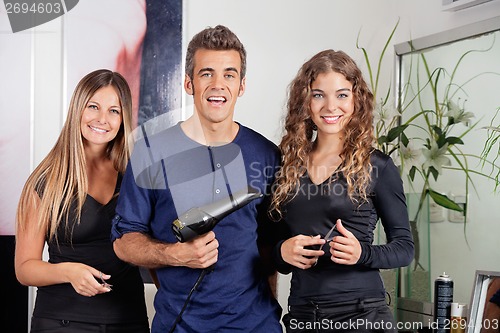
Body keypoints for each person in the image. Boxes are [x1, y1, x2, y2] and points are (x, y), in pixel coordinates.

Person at [111, 25, 282, 333]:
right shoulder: (151, 152)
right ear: (189, 83)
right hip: (180, 326)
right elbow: (124, 242)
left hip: (256, 325)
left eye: (229, 74)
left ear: (242, 85)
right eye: (207, 73)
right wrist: (173, 255)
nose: (218, 85)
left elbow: (270, 247)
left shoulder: (266, 155)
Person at [270, 50, 414, 332]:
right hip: (303, 315)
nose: (330, 106)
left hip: (363, 315)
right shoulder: (286, 167)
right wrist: (282, 252)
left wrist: (362, 253)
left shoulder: (378, 167)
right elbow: (275, 249)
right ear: (305, 101)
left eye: (342, 95)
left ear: (356, 100)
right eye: (318, 95)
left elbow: (405, 249)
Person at [15, 69, 150, 333]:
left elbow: (152, 250)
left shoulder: (136, 177)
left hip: (129, 320)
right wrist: (68, 272)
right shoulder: (46, 181)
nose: (102, 119)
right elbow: (24, 269)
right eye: (93, 106)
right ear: (78, 109)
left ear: (123, 118)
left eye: (114, 110)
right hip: (61, 322)